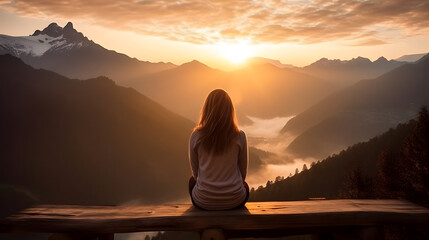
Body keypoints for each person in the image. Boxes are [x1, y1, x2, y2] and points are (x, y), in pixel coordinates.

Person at [188, 89, 249, 210]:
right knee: (245, 186)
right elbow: (243, 175)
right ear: (230, 110)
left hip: (203, 201)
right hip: (235, 200)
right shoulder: (240, 136)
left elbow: (195, 174)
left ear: (206, 109)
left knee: (191, 182)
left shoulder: (196, 136)